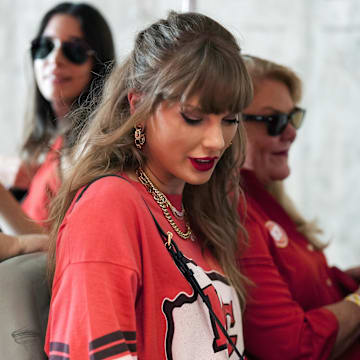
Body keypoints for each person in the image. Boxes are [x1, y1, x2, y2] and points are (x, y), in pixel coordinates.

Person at [45, 11, 252, 359]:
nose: (217, 140)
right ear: (139, 104)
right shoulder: (108, 206)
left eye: (230, 120)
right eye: (193, 117)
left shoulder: (196, 209)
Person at [237, 55, 360, 359]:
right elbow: (291, 347)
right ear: (229, 124)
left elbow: (309, 287)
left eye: (293, 118)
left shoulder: (265, 202)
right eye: (274, 121)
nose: (291, 133)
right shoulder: (238, 213)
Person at [0, 2, 115, 261]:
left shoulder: (94, 145)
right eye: (45, 47)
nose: (54, 59)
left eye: (74, 50)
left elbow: (69, 250)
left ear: (98, 63)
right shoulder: (53, 143)